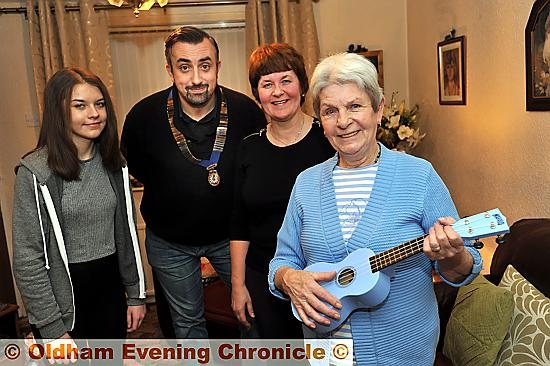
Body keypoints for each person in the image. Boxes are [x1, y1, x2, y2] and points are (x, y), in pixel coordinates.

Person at [268, 53, 482, 365]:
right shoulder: (306, 184)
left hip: (402, 354)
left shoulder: (419, 176)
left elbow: (463, 268)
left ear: (378, 109)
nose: (343, 122)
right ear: (320, 120)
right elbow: (281, 262)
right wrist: (288, 279)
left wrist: (453, 256)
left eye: (355, 106)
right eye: (330, 111)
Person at [120, 26, 266, 339]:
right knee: (187, 326)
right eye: (184, 67)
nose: (196, 78)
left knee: (253, 315)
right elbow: (139, 169)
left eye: (205, 65)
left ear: (218, 66)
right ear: (170, 70)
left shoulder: (246, 113)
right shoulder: (142, 117)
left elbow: (256, 174)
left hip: (234, 238)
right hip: (169, 242)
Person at [12, 68, 146, 358]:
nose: (94, 113)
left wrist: (135, 294)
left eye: (99, 104)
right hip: (62, 300)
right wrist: (51, 328)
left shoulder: (115, 164)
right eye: (80, 106)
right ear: (58, 111)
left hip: (109, 293)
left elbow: (127, 234)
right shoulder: (35, 172)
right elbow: (27, 259)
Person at [230, 43, 334, 338]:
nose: (278, 92)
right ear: (257, 95)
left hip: (323, 277)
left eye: (286, 80)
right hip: (263, 278)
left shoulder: (329, 140)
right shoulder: (248, 148)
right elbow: (239, 224)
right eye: (267, 84)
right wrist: (238, 286)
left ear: (302, 86)